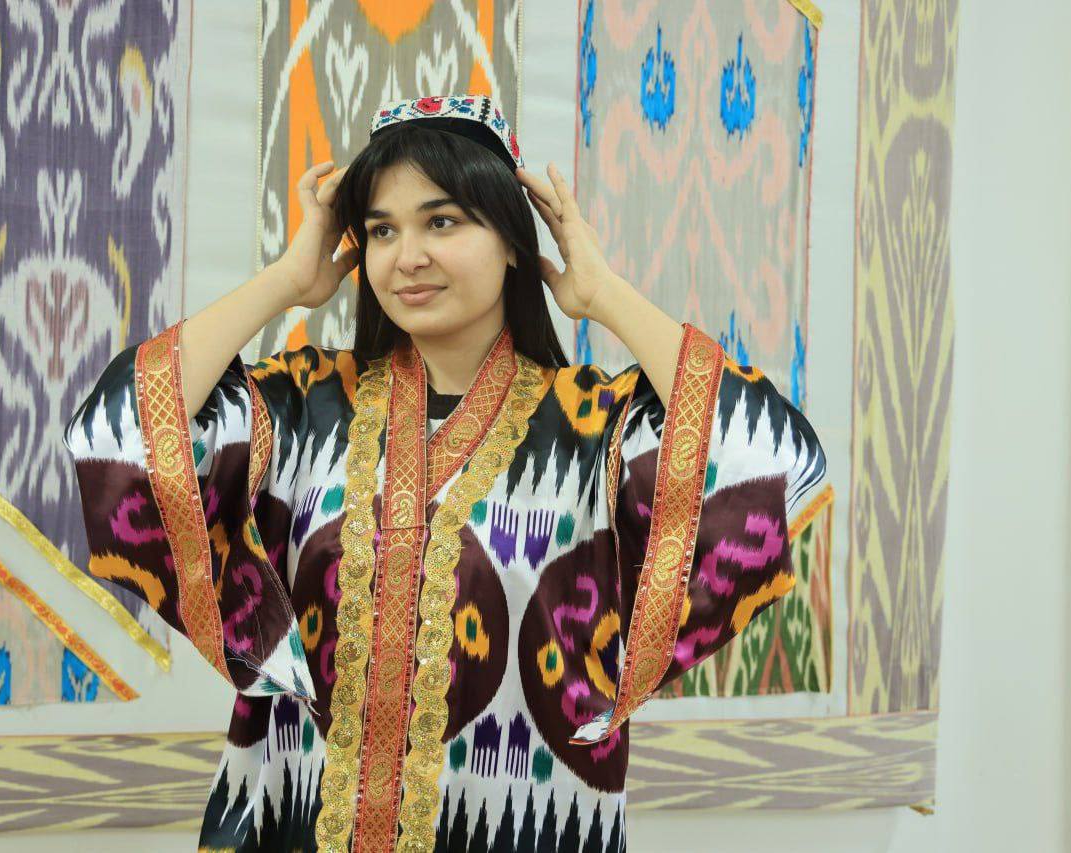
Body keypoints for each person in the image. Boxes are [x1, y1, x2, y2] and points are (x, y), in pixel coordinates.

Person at [63, 93, 827, 852]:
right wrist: (286, 283)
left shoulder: (596, 430)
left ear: (512, 241)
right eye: (382, 230)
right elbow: (116, 436)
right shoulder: (298, 411)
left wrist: (605, 297)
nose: (408, 257)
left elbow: (774, 462)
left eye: (442, 221)